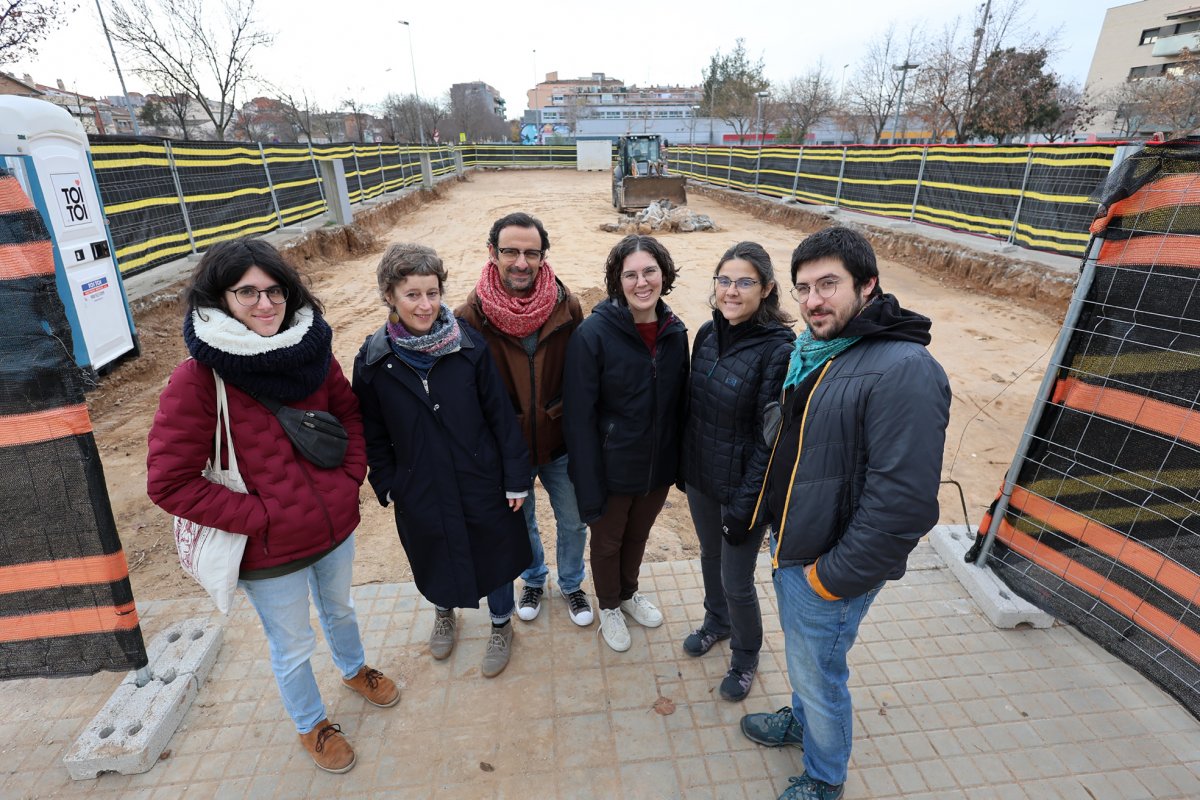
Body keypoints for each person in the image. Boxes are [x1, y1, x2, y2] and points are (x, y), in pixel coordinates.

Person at [147, 238, 398, 775]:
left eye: (275, 292)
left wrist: (350, 477)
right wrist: (262, 519)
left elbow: (350, 416)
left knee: (340, 609)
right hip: (268, 549)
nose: (265, 305)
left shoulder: (311, 353)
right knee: (291, 644)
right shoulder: (198, 380)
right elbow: (170, 483)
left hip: (333, 526)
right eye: (247, 293)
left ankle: (355, 669)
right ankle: (312, 723)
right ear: (219, 300)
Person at [739, 227, 951, 800]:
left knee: (821, 671)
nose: (813, 301)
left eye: (829, 284)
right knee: (806, 660)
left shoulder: (903, 368)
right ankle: (803, 719)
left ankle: (825, 777)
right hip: (797, 546)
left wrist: (831, 578)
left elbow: (904, 504)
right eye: (804, 288)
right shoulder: (821, 352)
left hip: (828, 564)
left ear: (868, 285)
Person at [352, 243, 532, 679]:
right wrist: (391, 483)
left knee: (495, 550)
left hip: (481, 476)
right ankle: (444, 612)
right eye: (412, 294)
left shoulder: (468, 345)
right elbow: (371, 432)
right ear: (390, 296)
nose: (425, 305)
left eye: (432, 293)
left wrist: (514, 477)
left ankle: (501, 624)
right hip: (421, 483)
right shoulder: (375, 361)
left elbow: (500, 415)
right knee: (435, 549)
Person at [456, 212, 592, 627]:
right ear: (492, 252)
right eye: (511, 251)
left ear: (542, 256)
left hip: (560, 441)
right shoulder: (471, 316)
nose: (521, 262)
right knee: (523, 520)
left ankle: (571, 582)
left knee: (573, 518)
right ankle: (533, 578)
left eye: (531, 253)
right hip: (508, 447)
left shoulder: (567, 307)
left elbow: (582, 375)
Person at [680, 241, 794, 702]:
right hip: (703, 479)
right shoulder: (707, 334)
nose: (732, 290)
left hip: (744, 489)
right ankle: (717, 621)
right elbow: (696, 410)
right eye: (724, 280)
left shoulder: (779, 350)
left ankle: (746, 654)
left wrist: (746, 506)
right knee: (709, 557)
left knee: (737, 579)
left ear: (766, 288)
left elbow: (771, 440)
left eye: (744, 282)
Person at [563, 234, 689, 652]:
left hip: (656, 466)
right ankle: (610, 607)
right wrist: (587, 480)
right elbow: (578, 418)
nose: (641, 282)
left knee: (638, 537)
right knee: (608, 542)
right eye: (630, 274)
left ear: (664, 274)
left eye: (649, 271)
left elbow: (677, 405)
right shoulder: (593, 335)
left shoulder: (675, 332)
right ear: (617, 281)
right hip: (610, 467)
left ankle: (630, 593)